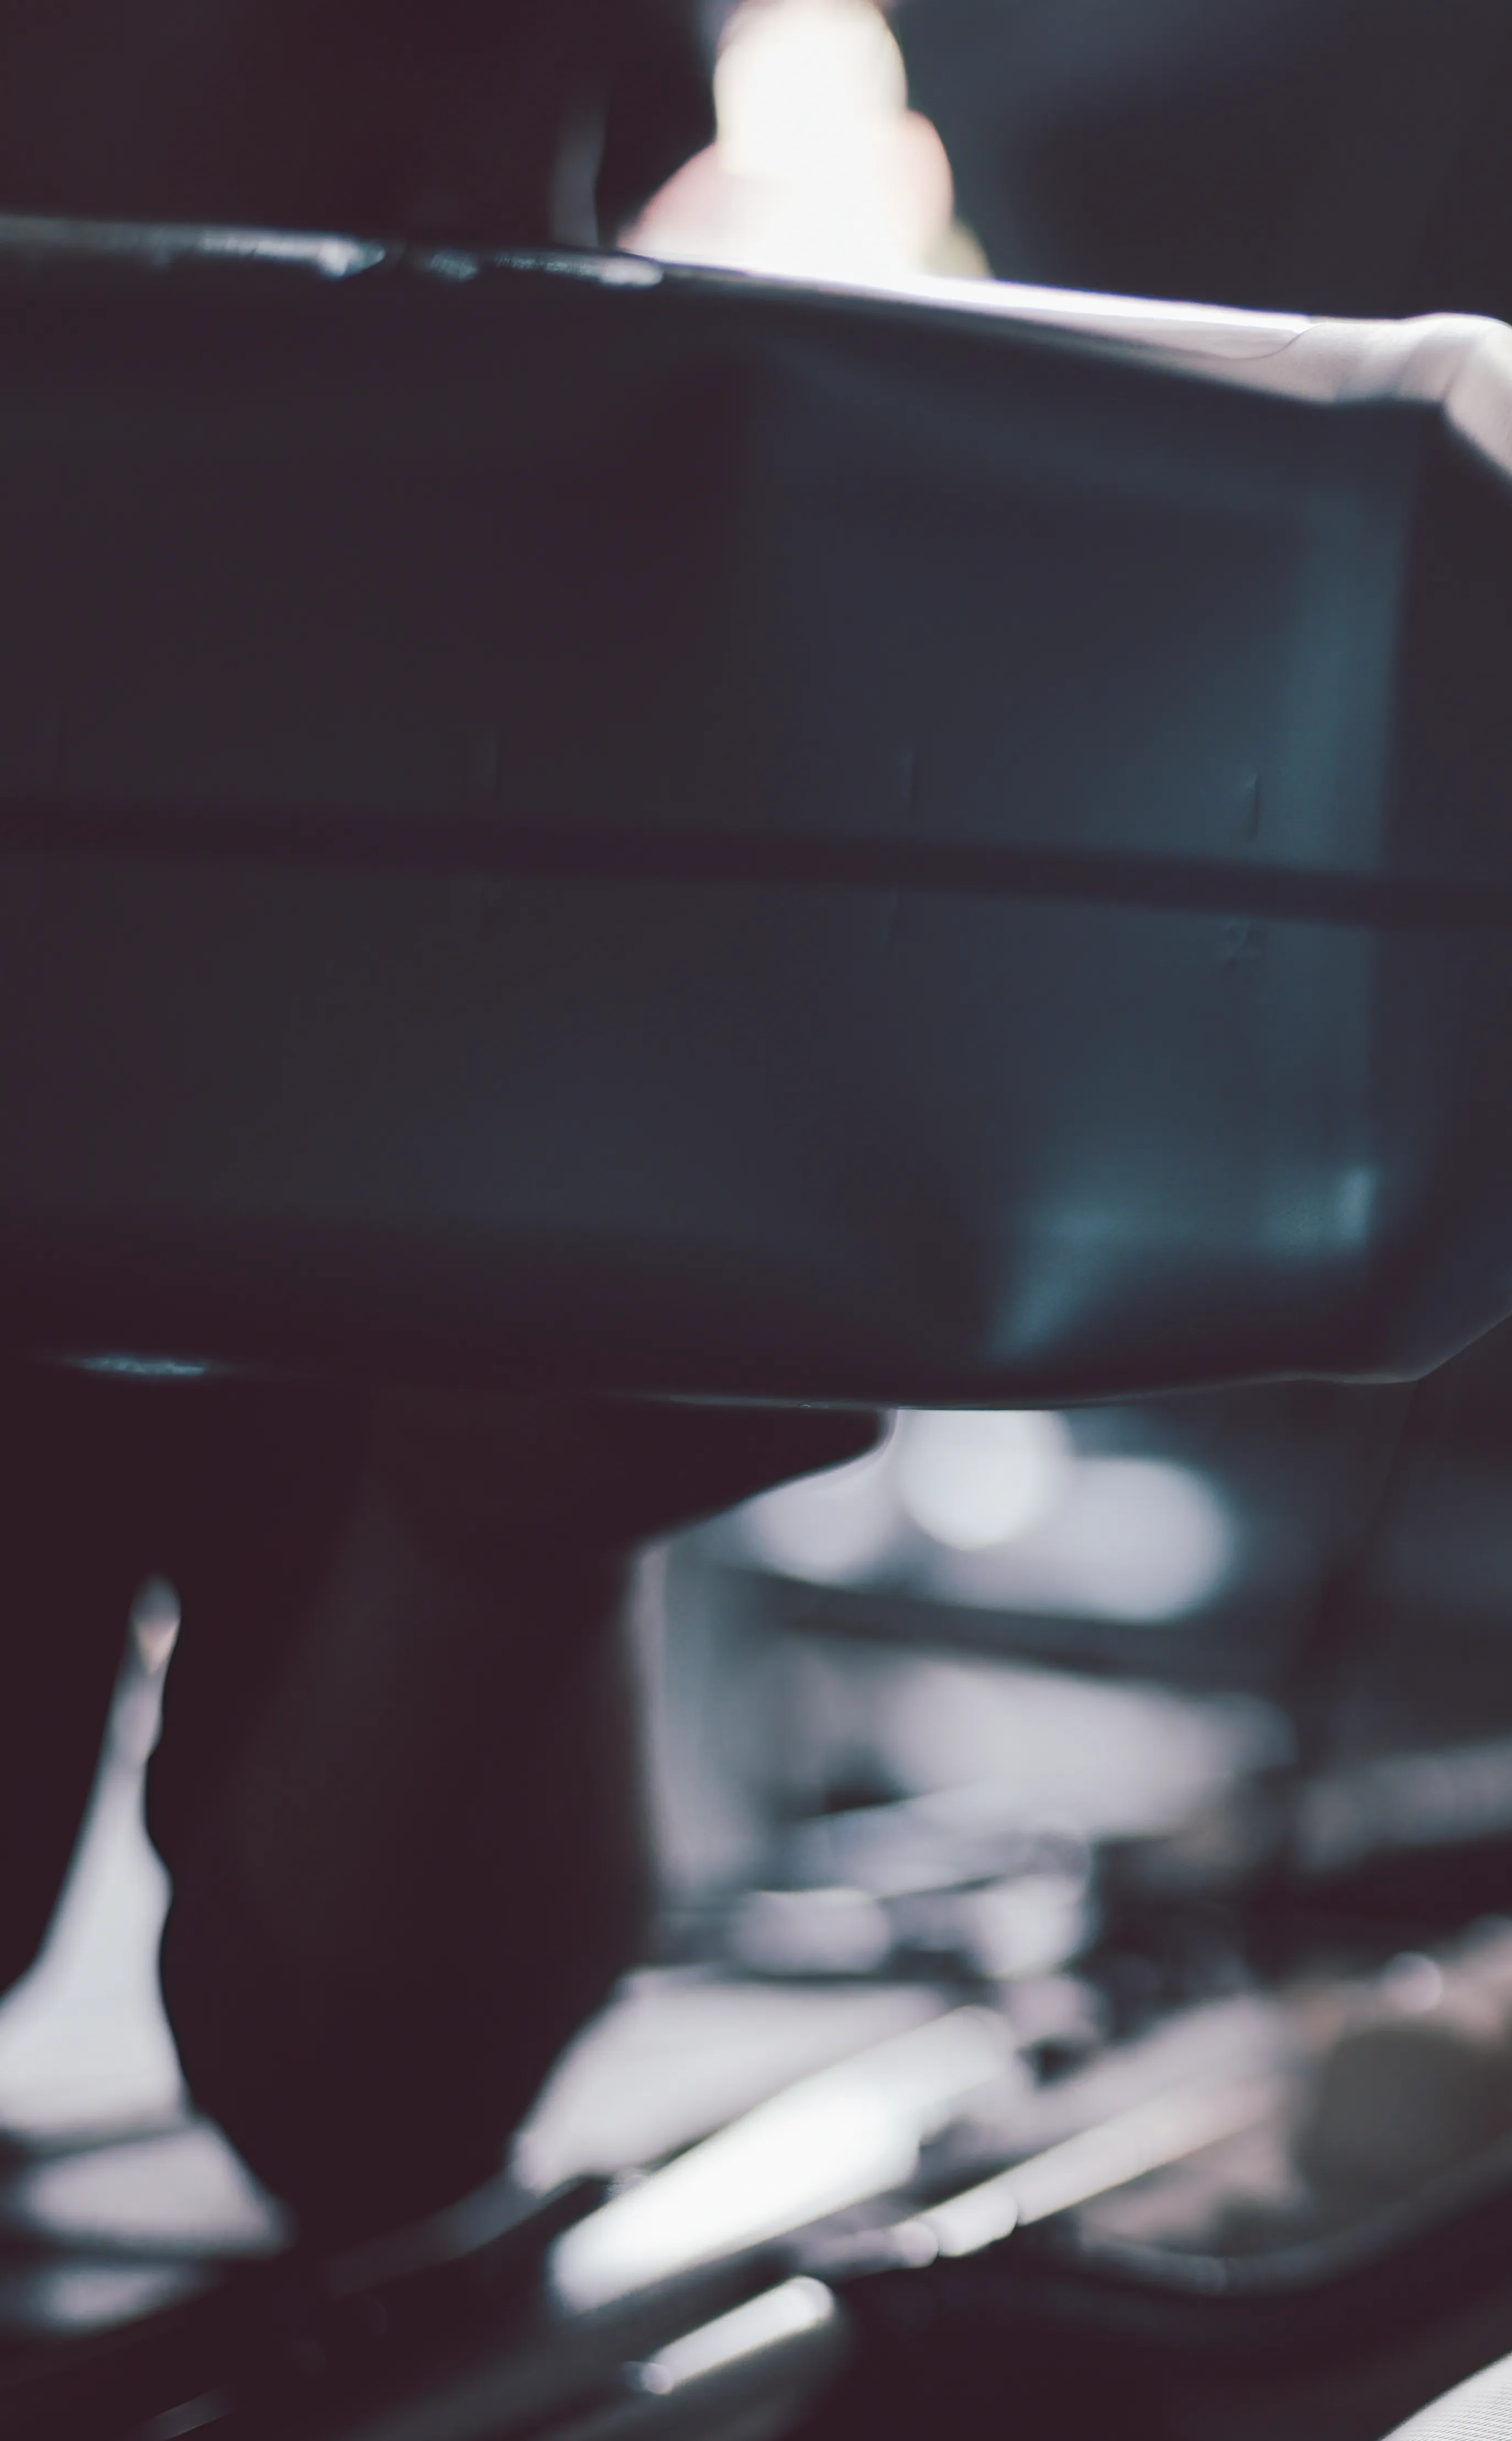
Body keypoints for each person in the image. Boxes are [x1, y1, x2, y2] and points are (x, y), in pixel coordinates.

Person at [0, 0, 878, 2241]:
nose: (535, 236)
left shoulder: (254, 827)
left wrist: (509, 1512)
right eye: (383, 55)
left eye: (622, 138)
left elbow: (377, 2093)